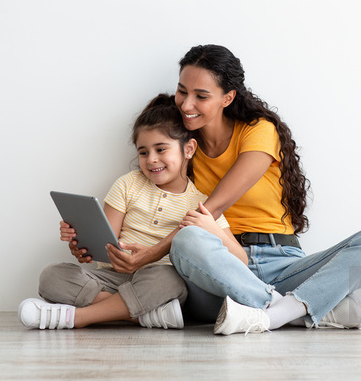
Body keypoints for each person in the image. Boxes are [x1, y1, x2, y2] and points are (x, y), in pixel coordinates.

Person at [168, 44, 361, 335]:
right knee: (187, 241)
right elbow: (155, 200)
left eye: (201, 96)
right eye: (182, 91)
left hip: (281, 262)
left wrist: (147, 254)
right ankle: (294, 309)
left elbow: (212, 209)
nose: (186, 104)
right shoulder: (179, 144)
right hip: (220, 264)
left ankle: (270, 313)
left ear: (228, 97)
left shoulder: (259, 130)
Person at [18, 94, 242, 330]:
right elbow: (103, 247)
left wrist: (213, 228)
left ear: (188, 149)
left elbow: (240, 260)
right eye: (143, 152)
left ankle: (78, 317)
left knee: (170, 280)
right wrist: (80, 246)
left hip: (156, 283)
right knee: (51, 275)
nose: (152, 160)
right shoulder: (128, 184)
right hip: (113, 278)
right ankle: (143, 316)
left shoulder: (202, 203)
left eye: (161, 149)